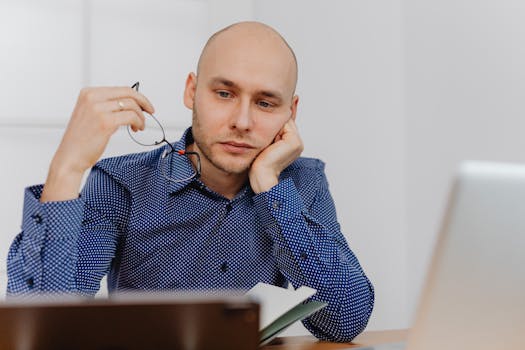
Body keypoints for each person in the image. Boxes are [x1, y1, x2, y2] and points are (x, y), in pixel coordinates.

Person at [6, 21, 374, 342]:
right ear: (191, 91)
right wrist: (66, 169)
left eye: (265, 103)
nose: (242, 122)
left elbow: (345, 321)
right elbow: (45, 329)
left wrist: (271, 188)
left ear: (290, 113)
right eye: (224, 93)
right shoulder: (121, 183)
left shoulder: (300, 183)